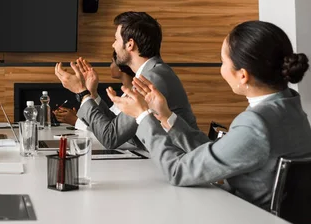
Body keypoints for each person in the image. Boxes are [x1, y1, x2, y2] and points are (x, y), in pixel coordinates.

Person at [111, 20, 311, 210]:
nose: (221, 69)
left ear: (243, 75)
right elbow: (215, 152)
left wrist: (143, 117)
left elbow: (178, 171)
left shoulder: (256, 124)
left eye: (223, 62)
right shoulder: (290, 106)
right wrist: (167, 117)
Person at [55, 11, 197, 149]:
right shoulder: (152, 72)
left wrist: (82, 92)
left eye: (116, 39)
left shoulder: (152, 78)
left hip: (180, 166)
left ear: (130, 44)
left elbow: (110, 137)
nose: (113, 45)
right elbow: (117, 126)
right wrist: (91, 94)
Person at [54, 51, 134, 127]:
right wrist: (91, 92)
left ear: (120, 66)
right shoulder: (125, 95)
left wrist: (76, 121)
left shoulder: (132, 98)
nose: (110, 66)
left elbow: (109, 131)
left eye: (112, 62)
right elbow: (104, 121)